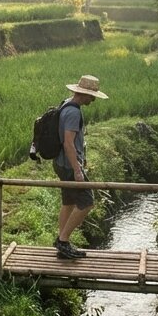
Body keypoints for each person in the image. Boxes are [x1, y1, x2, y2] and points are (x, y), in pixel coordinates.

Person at [53, 74, 108, 260]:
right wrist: (77, 169)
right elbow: (68, 143)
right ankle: (63, 240)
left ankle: (62, 243)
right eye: (91, 96)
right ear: (83, 94)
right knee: (87, 202)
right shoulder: (74, 112)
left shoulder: (66, 103)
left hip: (61, 163)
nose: (93, 100)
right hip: (69, 165)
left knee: (68, 202)